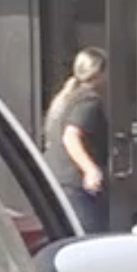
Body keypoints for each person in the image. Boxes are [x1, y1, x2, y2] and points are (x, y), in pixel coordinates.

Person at [44, 46, 111, 234]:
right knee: (90, 237)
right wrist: (90, 170)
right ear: (100, 72)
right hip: (75, 183)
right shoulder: (89, 101)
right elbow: (71, 136)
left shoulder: (67, 98)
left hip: (59, 179)